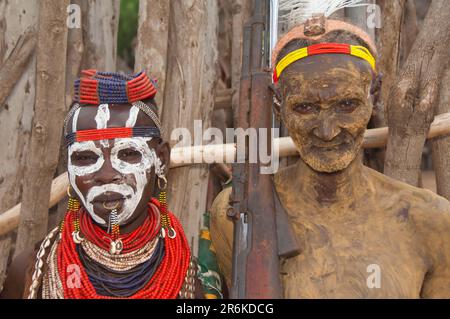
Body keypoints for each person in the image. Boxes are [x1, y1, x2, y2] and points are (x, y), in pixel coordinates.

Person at [210, 18, 450, 298]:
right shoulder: (237, 216)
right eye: (305, 108)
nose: (327, 131)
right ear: (278, 105)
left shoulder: (430, 220)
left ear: (373, 95)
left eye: (347, 105)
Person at [2, 70, 202, 299]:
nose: (107, 175)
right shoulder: (33, 273)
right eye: (86, 157)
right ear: (68, 167)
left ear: (161, 160)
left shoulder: (188, 280)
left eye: (128, 154)